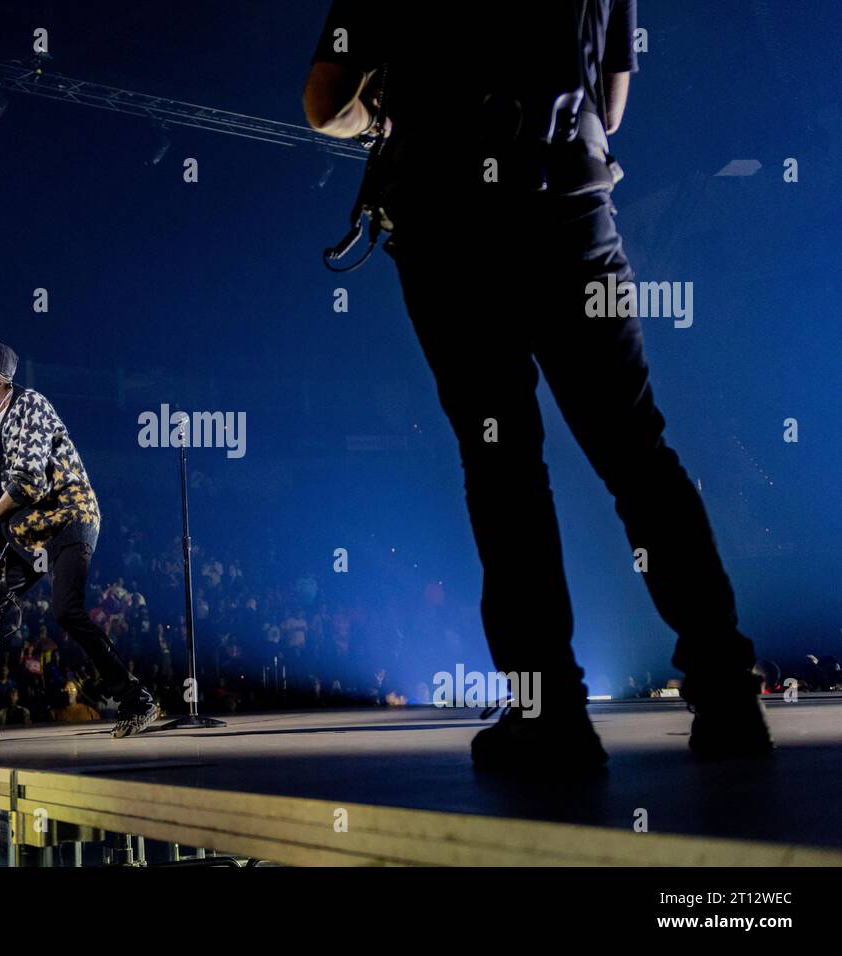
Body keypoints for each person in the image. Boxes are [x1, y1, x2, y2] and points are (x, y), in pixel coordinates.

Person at [303, 0, 771, 771]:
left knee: (504, 467)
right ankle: (726, 694)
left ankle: (549, 714)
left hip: (452, 222)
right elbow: (611, 107)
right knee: (636, 451)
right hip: (574, 207)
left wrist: (380, 117)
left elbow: (325, 104)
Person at [0, 339, 158, 743]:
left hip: (70, 517)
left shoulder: (31, 406)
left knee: (66, 610)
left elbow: (29, 482)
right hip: (30, 532)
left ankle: (136, 699)